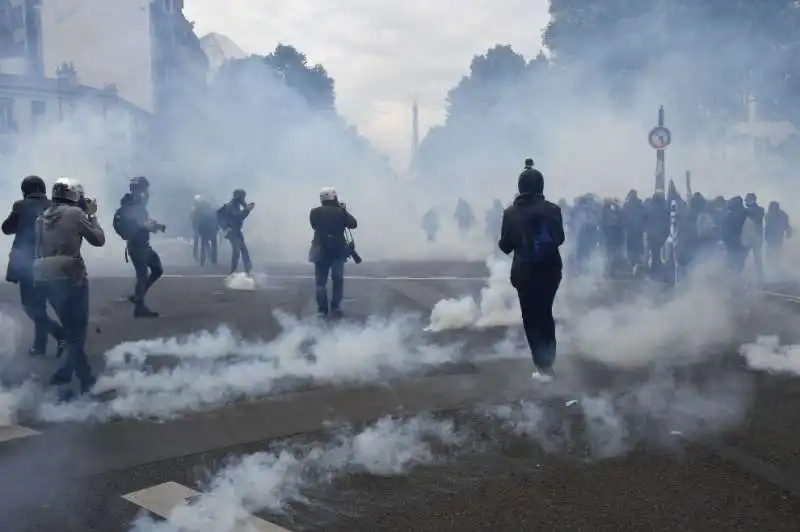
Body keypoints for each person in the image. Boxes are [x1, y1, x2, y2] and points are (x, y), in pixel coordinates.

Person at [33, 178, 104, 399]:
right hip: (70, 275)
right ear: (74, 195)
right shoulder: (75, 214)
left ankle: (87, 380)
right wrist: (92, 215)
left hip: (44, 276)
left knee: (72, 332)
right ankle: (62, 376)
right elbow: (98, 239)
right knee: (77, 334)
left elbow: (37, 249)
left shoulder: (41, 217)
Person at [498, 166, 565, 382]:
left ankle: (542, 364)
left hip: (524, 272)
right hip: (550, 271)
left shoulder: (510, 212)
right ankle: (548, 362)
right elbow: (560, 238)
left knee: (531, 318)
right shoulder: (553, 210)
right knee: (545, 313)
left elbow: (506, 246)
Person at [2, 175, 65, 356]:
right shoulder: (55, 206)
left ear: (25, 190)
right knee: (41, 305)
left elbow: (6, 228)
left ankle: (60, 334)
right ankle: (39, 347)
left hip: (28, 263)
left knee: (31, 307)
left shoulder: (21, 206)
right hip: (52, 262)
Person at [115, 176, 165, 318]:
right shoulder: (132, 207)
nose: (146, 193)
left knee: (157, 269)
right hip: (137, 246)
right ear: (139, 190)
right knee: (142, 276)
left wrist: (155, 225)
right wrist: (153, 227)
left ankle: (138, 296)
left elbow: (145, 222)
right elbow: (142, 224)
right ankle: (139, 306)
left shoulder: (136, 205)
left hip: (142, 245)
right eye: (145, 190)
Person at [309, 187, 357, 318]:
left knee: (320, 283)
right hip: (337, 251)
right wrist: (343, 210)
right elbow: (353, 224)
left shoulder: (314, 212)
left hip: (319, 250)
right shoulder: (340, 212)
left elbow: (313, 225)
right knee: (337, 279)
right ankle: (335, 305)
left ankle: (322, 309)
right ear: (333, 197)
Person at [218, 189, 254, 275]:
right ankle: (234, 271)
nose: (244, 199)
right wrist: (247, 210)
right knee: (237, 250)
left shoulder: (235, 205)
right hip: (232, 231)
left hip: (235, 230)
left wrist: (246, 209)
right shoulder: (231, 206)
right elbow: (238, 217)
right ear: (239, 198)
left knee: (242, 250)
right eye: (243, 197)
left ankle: (247, 269)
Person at [191, 195, 218, 266]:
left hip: (203, 230)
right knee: (212, 245)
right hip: (211, 230)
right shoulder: (213, 211)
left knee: (203, 245)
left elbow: (198, 221)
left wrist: (198, 229)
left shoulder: (199, 211)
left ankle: (203, 260)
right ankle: (212, 259)